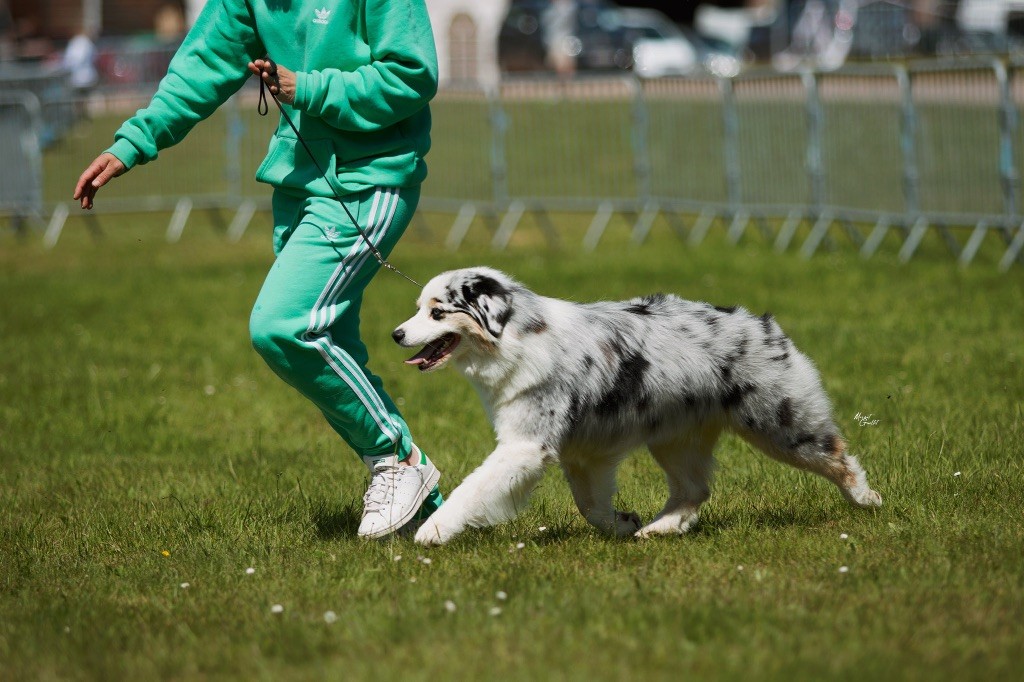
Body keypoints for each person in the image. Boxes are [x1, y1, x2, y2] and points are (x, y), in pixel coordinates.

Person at [73, 0, 444, 539]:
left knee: (283, 326)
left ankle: (398, 461)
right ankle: (429, 508)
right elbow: (203, 64)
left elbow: (412, 74)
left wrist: (309, 88)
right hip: (300, 181)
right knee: (328, 343)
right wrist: (134, 142)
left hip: (370, 180)